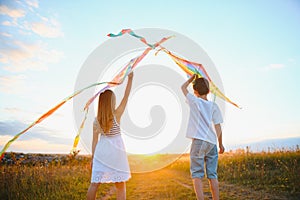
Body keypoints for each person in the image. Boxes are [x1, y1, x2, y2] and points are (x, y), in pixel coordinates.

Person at [87, 72, 133, 200]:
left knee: (94, 184)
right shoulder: (117, 115)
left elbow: (94, 141)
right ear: (112, 102)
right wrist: (130, 78)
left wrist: (93, 158)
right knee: (120, 185)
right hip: (116, 152)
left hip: (102, 151)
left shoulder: (96, 121)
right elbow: (126, 96)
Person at [181, 74, 224, 200]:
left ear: (195, 92)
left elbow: (183, 88)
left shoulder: (194, 101)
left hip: (199, 142)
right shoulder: (214, 106)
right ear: (209, 91)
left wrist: (190, 79)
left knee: (197, 174)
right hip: (212, 143)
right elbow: (218, 127)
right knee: (212, 175)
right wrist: (220, 144)